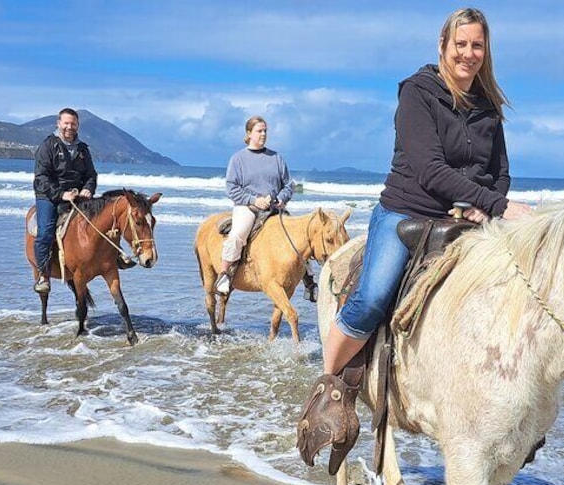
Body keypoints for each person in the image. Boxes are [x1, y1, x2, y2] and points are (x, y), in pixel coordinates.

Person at [297, 7, 533, 458]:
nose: (468, 53)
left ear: (486, 51)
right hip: (406, 212)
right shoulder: (418, 93)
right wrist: (495, 205)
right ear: (443, 47)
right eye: (460, 44)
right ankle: (330, 387)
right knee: (373, 296)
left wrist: (482, 207)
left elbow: (500, 172)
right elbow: (429, 169)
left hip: (463, 217)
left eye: (476, 45)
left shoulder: (489, 107)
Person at [216, 116, 296, 295]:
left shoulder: (276, 158)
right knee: (238, 234)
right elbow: (231, 187)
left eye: (265, 130)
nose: (263, 134)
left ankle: (308, 280)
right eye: (259, 131)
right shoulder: (238, 159)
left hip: (273, 207)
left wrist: (282, 198)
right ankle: (224, 275)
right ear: (249, 134)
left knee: (296, 237)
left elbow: (289, 185)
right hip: (247, 207)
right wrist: (253, 200)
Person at [32, 108, 97, 294]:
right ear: (58, 123)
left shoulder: (83, 149)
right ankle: (43, 275)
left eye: (73, 123)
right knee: (45, 233)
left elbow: (91, 174)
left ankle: (114, 258)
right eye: (66, 123)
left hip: (77, 195)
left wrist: (87, 188)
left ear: (78, 125)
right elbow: (41, 178)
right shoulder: (48, 146)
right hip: (49, 197)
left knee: (103, 222)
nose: (70, 127)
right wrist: (61, 194)